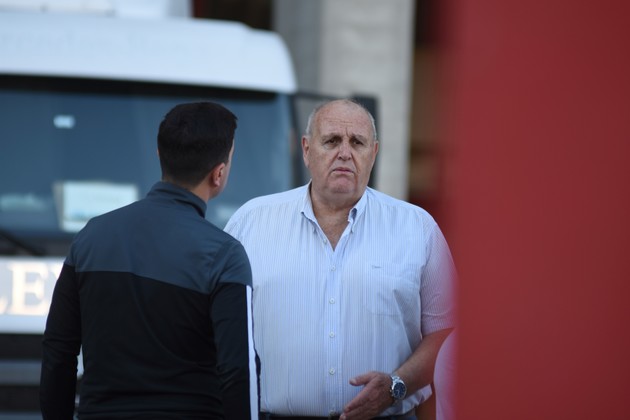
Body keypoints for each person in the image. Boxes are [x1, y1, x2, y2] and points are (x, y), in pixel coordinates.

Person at [225, 99, 456, 419]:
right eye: (332, 141)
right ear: (306, 150)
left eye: (357, 142)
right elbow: (220, 328)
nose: (345, 153)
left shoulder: (417, 228)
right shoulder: (251, 222)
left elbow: (447, 333)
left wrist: (396, 386)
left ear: (374, 153)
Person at [40, 102, 258, 419]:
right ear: (219, 173)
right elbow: (238, 370)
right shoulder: (224, 255)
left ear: (159, 154)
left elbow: (58, 352)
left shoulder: (90, 237)